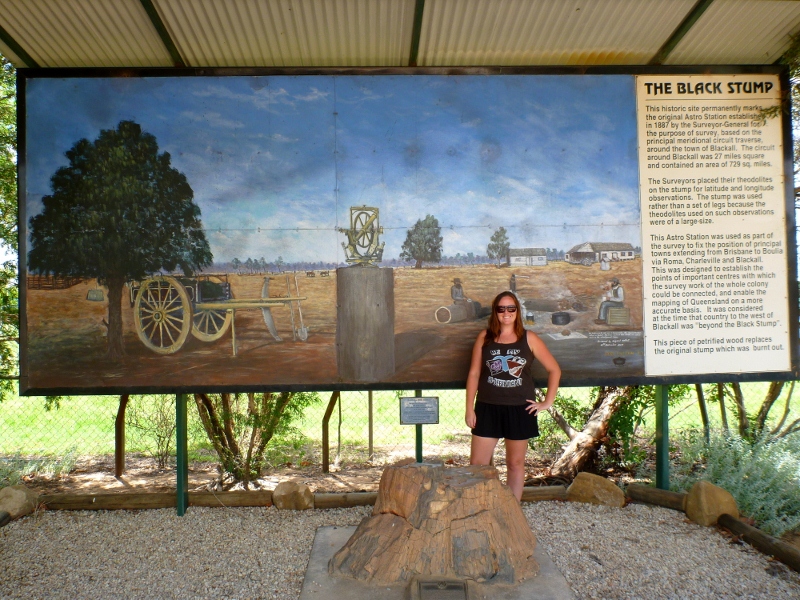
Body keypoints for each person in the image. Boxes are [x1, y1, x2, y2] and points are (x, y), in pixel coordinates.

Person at [465, 291, 561, 501]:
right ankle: (478, 508)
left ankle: (512, 512)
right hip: (487, 407)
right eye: (501, 309)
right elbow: (474, 373)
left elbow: (554, 370)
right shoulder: (485, 337)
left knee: (515, 464)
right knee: (477, 465)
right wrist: (469, 408)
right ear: (495, 312)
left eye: (511, 308)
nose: (506, 313)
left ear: (517, 311)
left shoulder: (529, 338)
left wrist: (547, 402)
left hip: (520, 409)